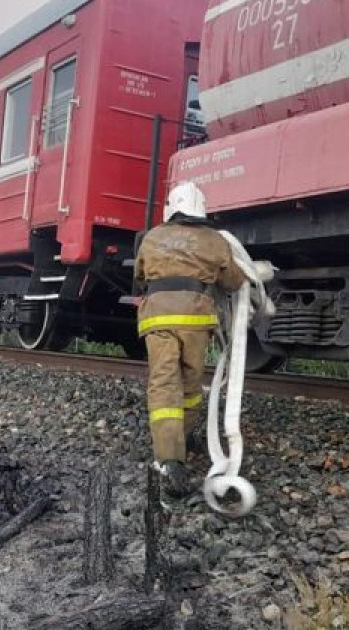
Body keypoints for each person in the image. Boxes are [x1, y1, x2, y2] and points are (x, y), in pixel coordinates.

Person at [134, 181, 244, 500]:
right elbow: (234, 281)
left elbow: (140, 277)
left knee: (164, 382)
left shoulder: (152, 237)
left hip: (157, 318)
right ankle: (185, 435)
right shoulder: (214, 239)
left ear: (171, 207)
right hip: (196, 319)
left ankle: (170, 458)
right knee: (191, 384)